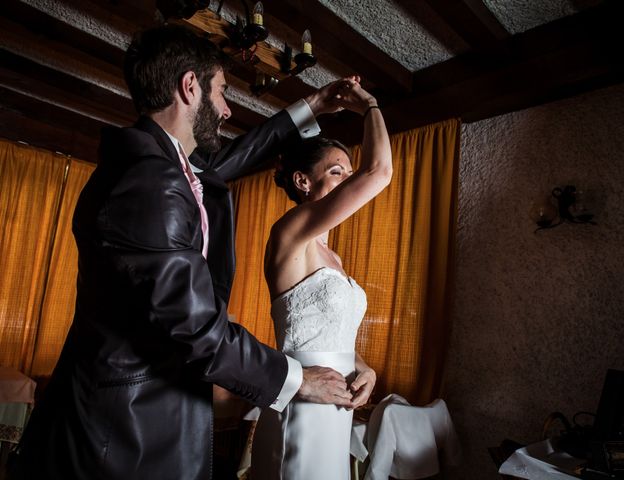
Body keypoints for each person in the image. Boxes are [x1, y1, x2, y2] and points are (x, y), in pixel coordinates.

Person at [8, 24, 357, 480]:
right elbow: (196, 329)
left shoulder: (161, 165)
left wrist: (313, 105)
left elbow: (226, 162)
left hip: (145, 412)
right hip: (125, 431)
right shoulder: (150, 183)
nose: (228, 108)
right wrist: (295, 379)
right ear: (189, 87)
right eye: (221, 92)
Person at [251, 78, 393, 479]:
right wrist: (369, 103)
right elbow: (379, 171)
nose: (349, 181)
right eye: (337, 172)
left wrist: (364, 368)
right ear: (303, 181)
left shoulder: (336, 259)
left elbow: (331, 334)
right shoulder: (290, 233)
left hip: (338, 406)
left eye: (350, 173)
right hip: (301, 399)